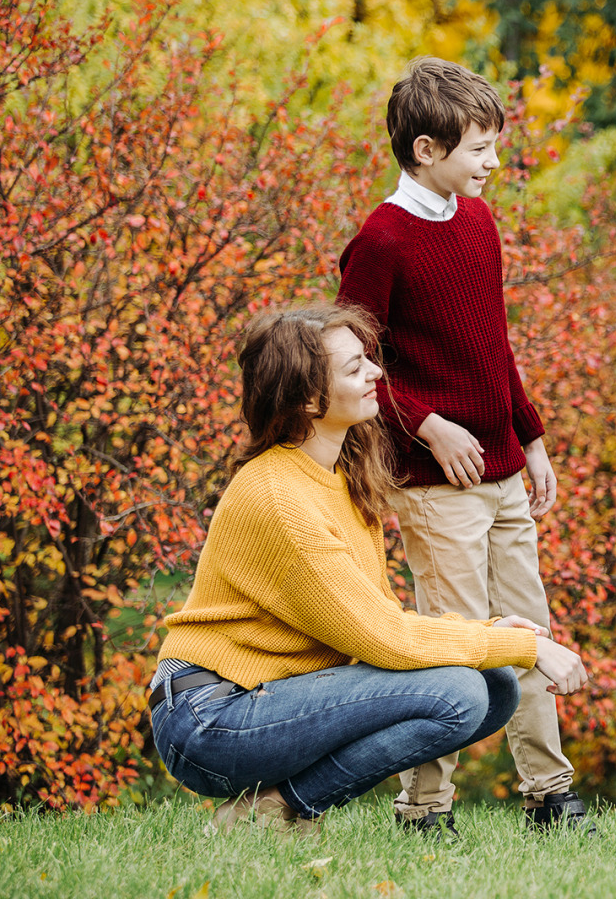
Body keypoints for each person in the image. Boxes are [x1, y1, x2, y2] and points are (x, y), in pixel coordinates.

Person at [149, 303, 588, 838]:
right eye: (355, 368)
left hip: (266, 697)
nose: (376, 373)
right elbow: (384, 639)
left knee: (493, 687)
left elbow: (377, 620)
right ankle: (281, 811)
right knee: (462, 693)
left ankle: (276, 808)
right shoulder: (279, 499)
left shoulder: (339, 476)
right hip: (211, 718)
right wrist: (526, 646)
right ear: (310, 400)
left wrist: (487, 638)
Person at [336, 57, 590, 838]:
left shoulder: (479, 223)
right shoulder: (380, 241)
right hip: (433, 482)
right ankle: (425, 808)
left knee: (530, 632)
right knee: (451, 642)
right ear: (424, 150)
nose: (493, 162)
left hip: (504, 470)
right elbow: (349, 361)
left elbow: (494, 346)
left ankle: (550, 794)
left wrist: (532, 435)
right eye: (479, 149)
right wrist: (428, 424)